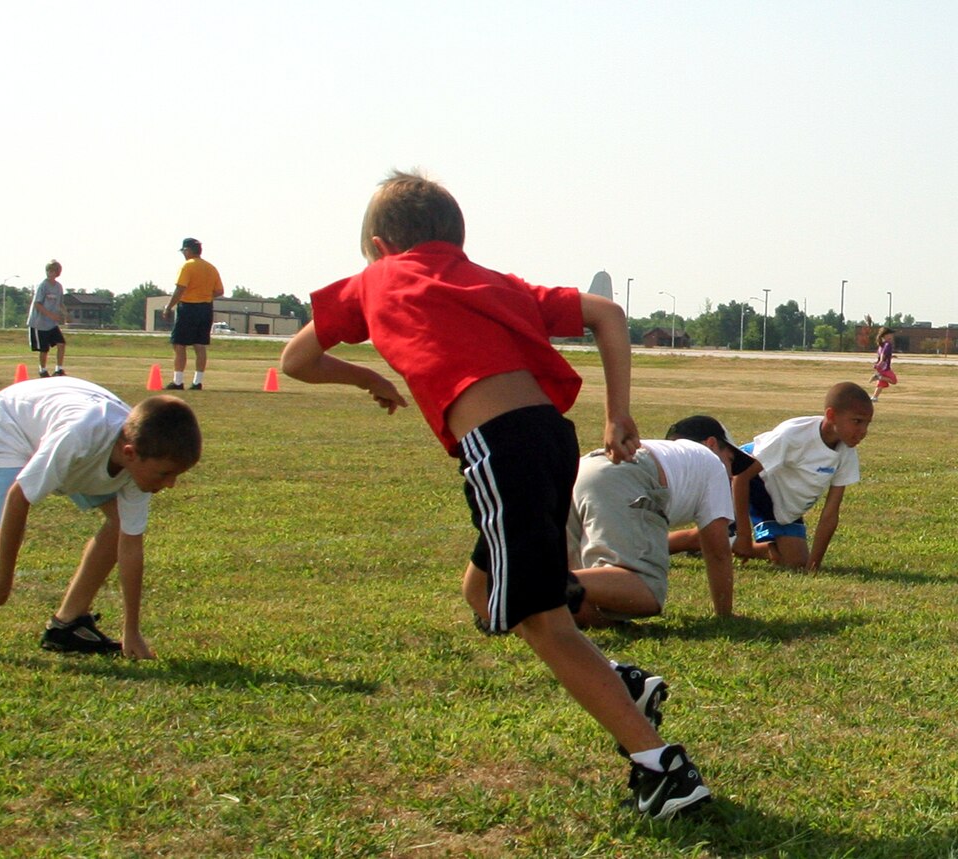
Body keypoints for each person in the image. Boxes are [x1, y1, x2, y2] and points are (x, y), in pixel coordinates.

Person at [278, 170, 711, 819]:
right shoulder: (492, 281)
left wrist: (366, 374)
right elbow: (607, 314)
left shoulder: (374, 279)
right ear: (457, 236)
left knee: (542, 622)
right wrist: (618, 412)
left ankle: (662, 769)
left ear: (375, 245)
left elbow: (296, 360)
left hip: (499, 448)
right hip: (549, 438)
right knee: (481, 593)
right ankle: (623, 684)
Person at [0, 377, 201, 664]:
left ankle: (67, 625)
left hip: (73, 441)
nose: (171, 484)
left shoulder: (139, 460)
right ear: (130, 453)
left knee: (120, 525)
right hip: (12, 426)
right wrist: (5, 574)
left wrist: (131, 630)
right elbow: (20, 497)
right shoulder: (79, 437)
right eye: (165, 474)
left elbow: (131, 546)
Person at [568, 415, 751, 626]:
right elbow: (717, 551)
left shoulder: (671, 453)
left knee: (588, 608)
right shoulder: (714, 465)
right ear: (711, 443)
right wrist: (725, 615)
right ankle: (541, 585)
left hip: (584, 469)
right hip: (625, 476)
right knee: (647, 590)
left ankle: (532, 607)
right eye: (730, 460)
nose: (731, 475)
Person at [733, 382, 873, 570]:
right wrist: (744, 536)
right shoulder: (792, 435)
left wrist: (813, 566)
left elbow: (830, 513)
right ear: (831, 415)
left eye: (867, 423)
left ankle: (732, 544)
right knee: (785, 558)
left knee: (796, 562)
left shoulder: (845, 451)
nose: (863, 431)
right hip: (756, 480)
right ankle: (707, 542)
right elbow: (741, 475)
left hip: (783, 502)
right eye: (857, 421)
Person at [162, 238, 222, 390]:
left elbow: (180, 288)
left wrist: (169, 307)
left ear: (188, 250)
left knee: (179, 344)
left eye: (183, 251)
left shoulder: (187, 266)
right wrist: (205, 296)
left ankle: (178, 380)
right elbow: (219, 291)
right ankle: (197, 382)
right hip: (206, 308)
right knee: (200, 345)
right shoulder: (211, 268)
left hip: (188, 307)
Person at [28, 259, 68, 377]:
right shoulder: (43, 286)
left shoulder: (59, 287)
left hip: (51, 323)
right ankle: (43, 370)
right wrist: (51, 315)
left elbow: (60, 303)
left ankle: (59, 369)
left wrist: (66, 314)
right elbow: (37, 304)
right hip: (39, 323)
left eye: (53, 271)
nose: (50, 273)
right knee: (44, 349)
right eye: (48, 270)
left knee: (61, 343)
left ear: (57, 272)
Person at [869, 327, 897, 401]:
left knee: (881, 384)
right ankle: (879, 377)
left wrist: (891, 356)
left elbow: (883, 354)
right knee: (894, 381)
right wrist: (881, 362)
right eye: (890, 334)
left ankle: (874, 397)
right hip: (884, 368)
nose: (892, 336)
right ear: (885, 335)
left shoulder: (882, 344)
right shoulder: (888, 344)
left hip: (880, 367)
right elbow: (883, 354)